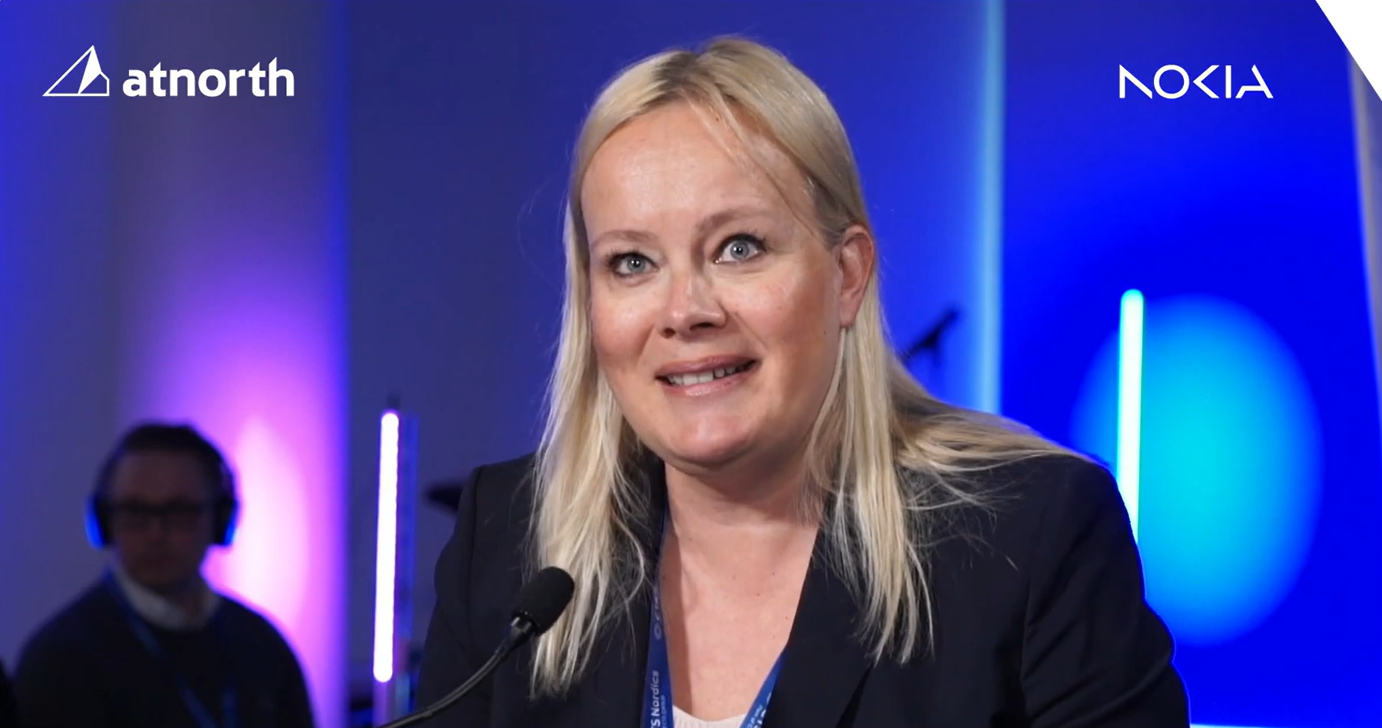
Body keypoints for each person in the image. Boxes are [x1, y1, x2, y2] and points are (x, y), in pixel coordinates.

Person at [416, 36, 1188, 727]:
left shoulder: (1033, 540)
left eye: (739, 247)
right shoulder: (512, 544)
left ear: (847, 274)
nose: (685, 310)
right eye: (632, 263)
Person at [13, 422, 315, 728]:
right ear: (104, 523)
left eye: (179, 512)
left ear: (221, 520)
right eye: (135, 512)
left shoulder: (261, 645)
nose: (156, 533)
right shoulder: (60, 659)